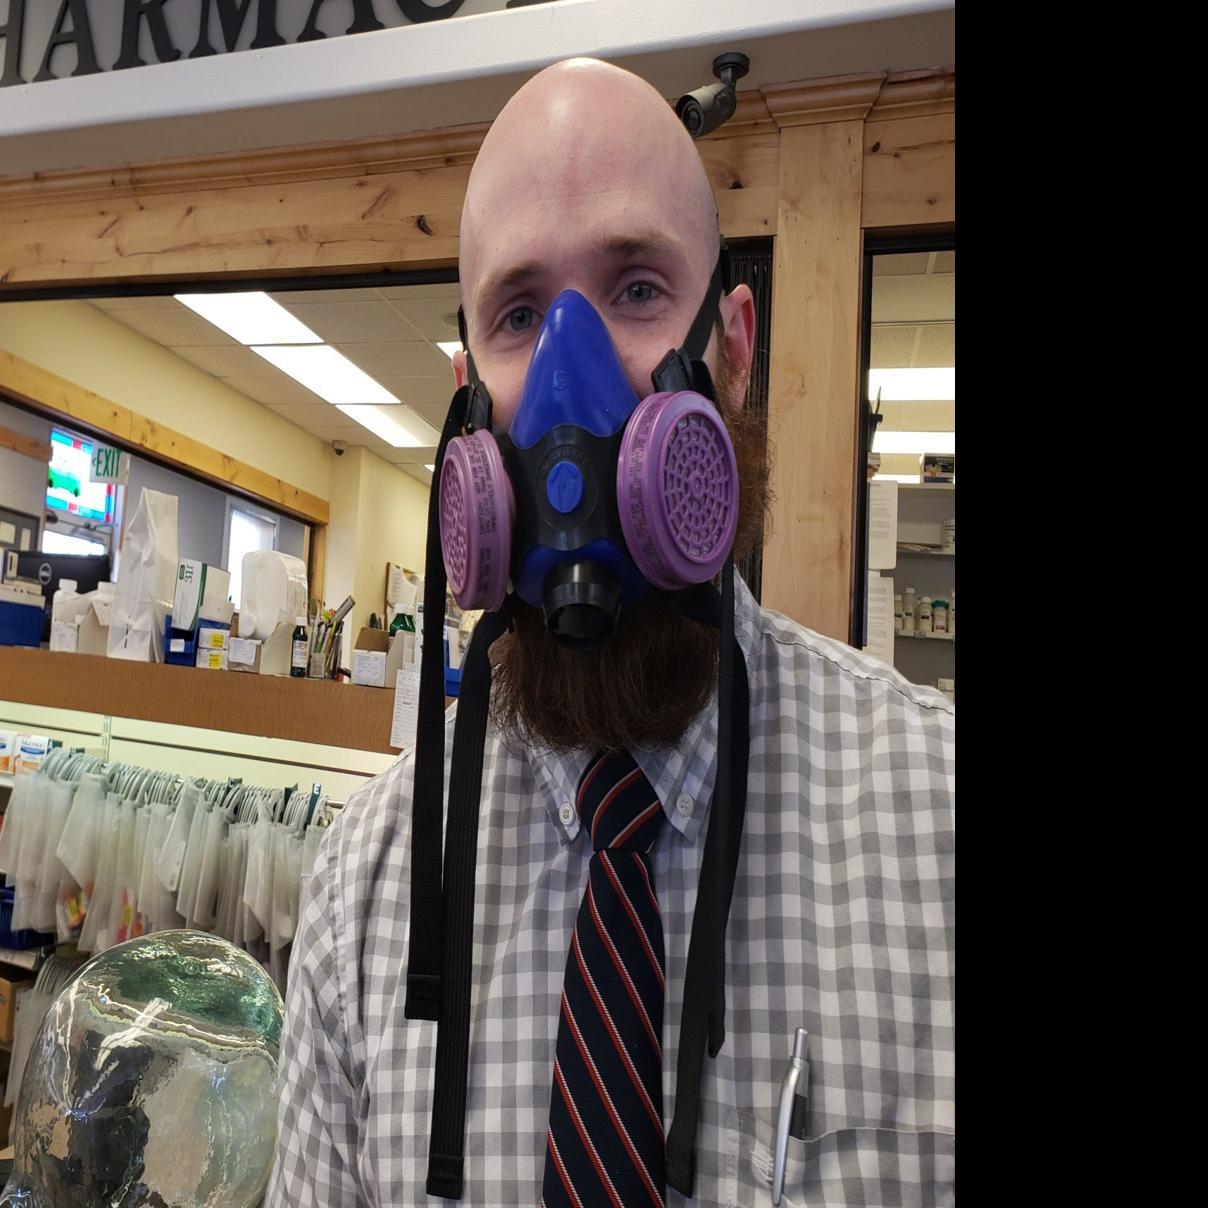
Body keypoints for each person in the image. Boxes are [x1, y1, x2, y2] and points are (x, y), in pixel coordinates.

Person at [268, 57, 954, 1208]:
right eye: (518, 313)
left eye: (636, 287)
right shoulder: (364, 889)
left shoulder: (935, 820)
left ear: (734, 348)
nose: (569, 378)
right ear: (466, 390)